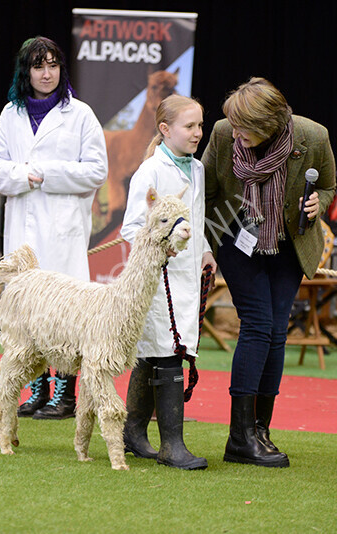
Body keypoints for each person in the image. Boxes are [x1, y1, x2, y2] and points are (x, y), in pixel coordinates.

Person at [202, 77, 336, 467]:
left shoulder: (313, 136)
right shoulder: (224, 133)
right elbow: (207, 192)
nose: (237, 134)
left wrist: (317, 204)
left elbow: (327, 186)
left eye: (246, 129)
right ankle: (239, 437)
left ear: (271, 124)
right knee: (258, 324)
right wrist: (207, 247)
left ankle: (259, 429)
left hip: (290, 240)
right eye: (234, 125)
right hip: (235, 234)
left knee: (277, 331)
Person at [0, 36, 108, 420]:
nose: (46, 73)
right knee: (28, 314)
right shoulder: (10, 114)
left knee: (65, 314)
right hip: (23, 230)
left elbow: (96, 170)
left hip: (63, 229)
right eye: (39, 66)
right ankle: (37, 390)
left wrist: (48, 174)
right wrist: (25, 175)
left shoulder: (82, 114)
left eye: (53, 65)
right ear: (27, 71)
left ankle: (65, 395)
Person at [120, 94, 216, 470]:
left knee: (154, 351)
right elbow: (131, 227)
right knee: (166, 351)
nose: (198, 133)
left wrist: (205, 249)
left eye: (200, 126)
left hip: (188, 277)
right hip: (157, 279)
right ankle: (172, 445)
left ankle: (133, 432)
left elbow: (197, 218)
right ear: (165, 129)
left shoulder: (198, 169)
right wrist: (163, 249)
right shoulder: (150, 172)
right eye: (189, 126)